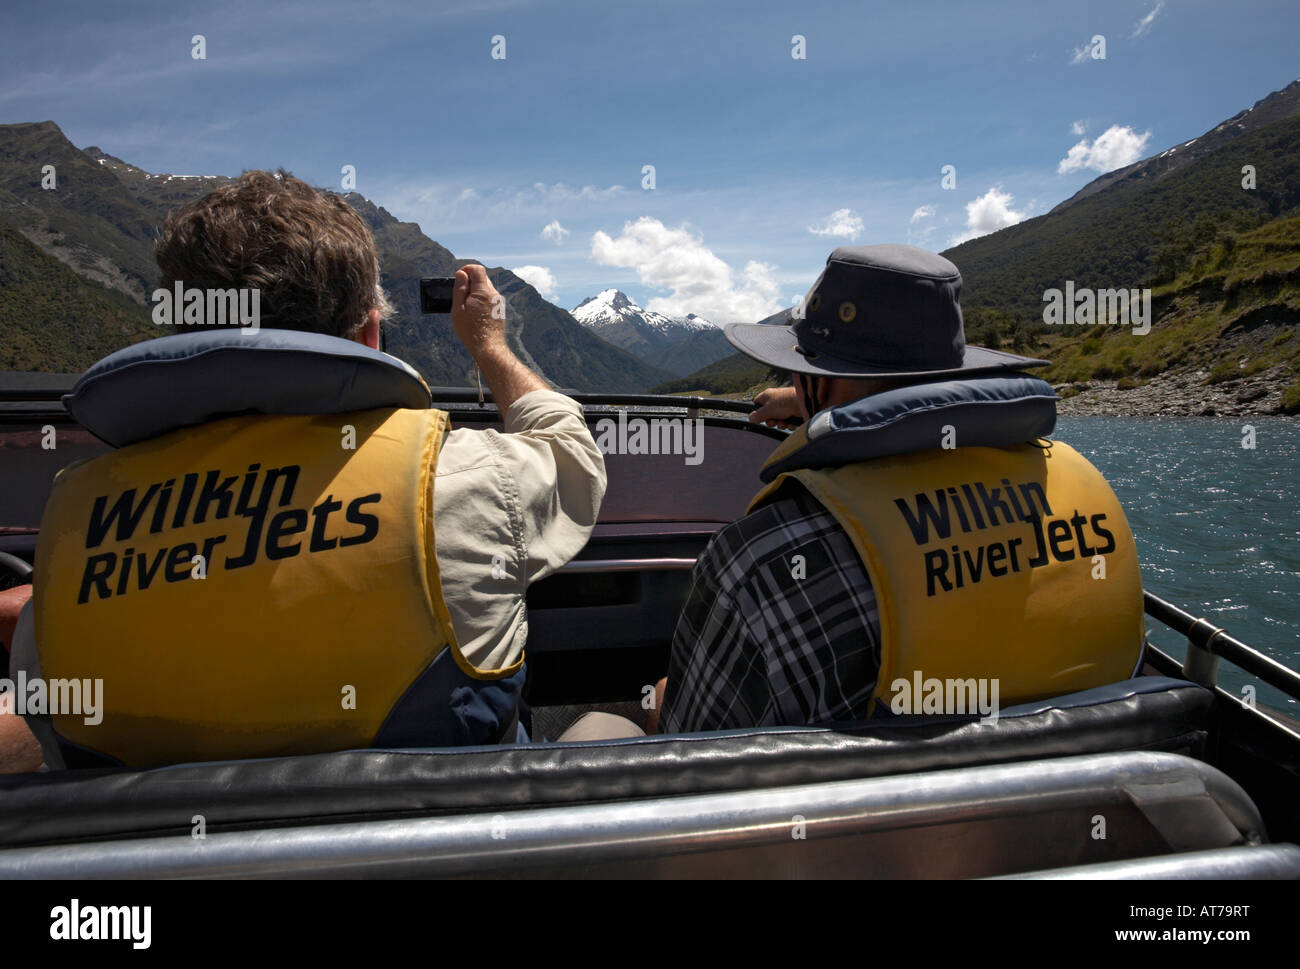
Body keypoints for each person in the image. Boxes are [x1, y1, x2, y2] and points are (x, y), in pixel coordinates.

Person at [4, 170, 606, 770]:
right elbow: (571, 451)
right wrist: (490, 347)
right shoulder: (460, 479)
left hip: (155, 860)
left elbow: (49, 719)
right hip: (453, 845)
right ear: (371, 333)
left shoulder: (70, 520)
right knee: (607, 727)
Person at [656, 244, 1145, 733]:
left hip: (874, 808)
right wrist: (817, 402)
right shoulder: (1077, 481)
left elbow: (693, 747)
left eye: (800, 370)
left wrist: (662, 699)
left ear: (820, 386)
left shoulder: (763, 557)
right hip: (1106, 786)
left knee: (608, 722)